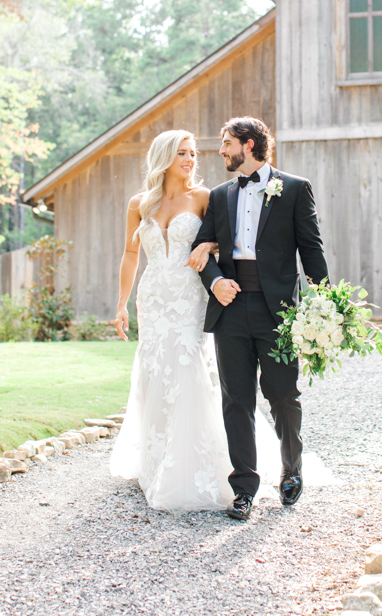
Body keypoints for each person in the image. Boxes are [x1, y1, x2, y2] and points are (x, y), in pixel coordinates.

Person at [110, 129, 280, 512]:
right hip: (153, 299)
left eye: (193, 154)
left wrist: (207, 244)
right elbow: (129, 254)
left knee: (188, 369)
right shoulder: (139, 203)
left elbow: (229, 239)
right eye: (182, 153)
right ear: (164, 157)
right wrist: (122, 304)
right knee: (156, 371)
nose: (190, 160)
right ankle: (157, 461)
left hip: (189, 298)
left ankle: (199, 466)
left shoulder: (205, 197)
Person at [188, 116, 329, 521]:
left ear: (248, 145)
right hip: (230, 310)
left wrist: (325, 302)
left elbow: (312, 250)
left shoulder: (295, 189)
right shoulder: (219, 196)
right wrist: (215, 282)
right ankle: (244, 488)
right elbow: (201, 248)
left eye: (226, 142)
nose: (221, 151)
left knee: (283, 395)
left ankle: (291, 470)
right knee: (236, 401)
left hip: (279, 311)